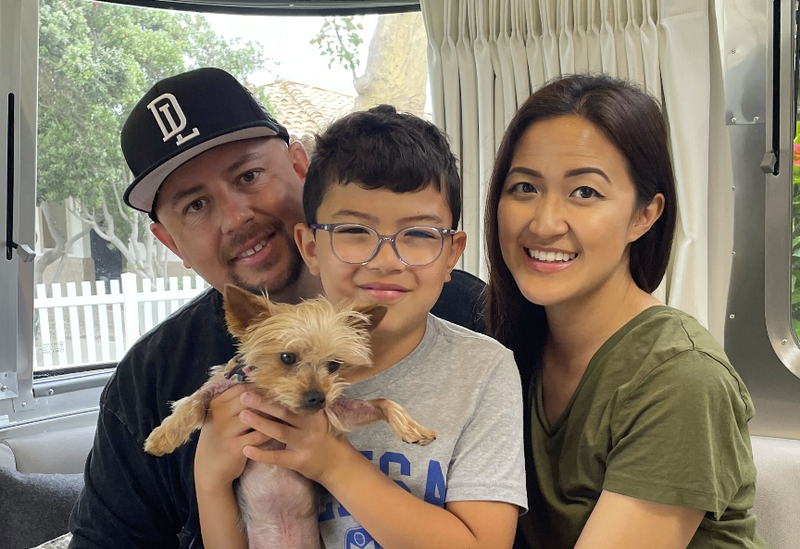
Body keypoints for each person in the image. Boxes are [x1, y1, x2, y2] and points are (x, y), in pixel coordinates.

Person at [67, 68, 486, 548]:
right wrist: (211, 478)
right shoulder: (147, 381)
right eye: (195, 206)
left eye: (248, 176)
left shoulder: (461, 313)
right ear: (169, 242)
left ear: (301, 167)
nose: (235, 216)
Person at [196, 105, 527, 549]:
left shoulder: (483, 371)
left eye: (420, 234)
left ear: (452, 255)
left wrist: (332, 463)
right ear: (311, 247)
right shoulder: (268, 368)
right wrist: (209, 478)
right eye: (355, 230)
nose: (387, 260)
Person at [483, 74, 768, 549]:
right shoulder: (508, 348)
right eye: (525, 187)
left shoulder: (680, 377)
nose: (545, 222)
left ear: (644, 215)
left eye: (585, 193)